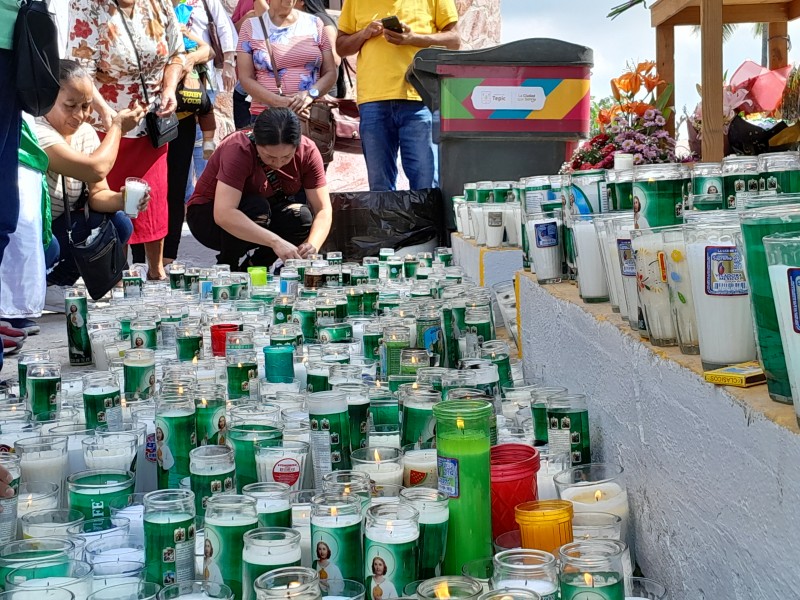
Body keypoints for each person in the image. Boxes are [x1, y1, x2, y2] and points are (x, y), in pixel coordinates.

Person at [66, 0, 185, 282]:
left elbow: (177, 55)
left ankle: (156, 270)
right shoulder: (88, 6)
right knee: (110, 199)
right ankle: (112, 273)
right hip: (108, 125)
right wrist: (107, 114)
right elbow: (81, 71)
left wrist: (170, 88)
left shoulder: (158, 4)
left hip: (153, 122)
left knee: (153, 198)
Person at [36, 60, 149, 312]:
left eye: (86, 106)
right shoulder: (37, 129)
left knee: (120, 222)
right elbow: (95, 168)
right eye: (70, 106)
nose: (80, 115)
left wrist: (123, 199)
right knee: (54, 244)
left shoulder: (85, 132)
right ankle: (40, 283)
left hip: (65, 225)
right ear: (47, 98)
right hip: (39, 233)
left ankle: (59, 283)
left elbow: (98, 194)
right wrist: (117, 127)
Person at [337, 0, 460, 191]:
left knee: (426, 183)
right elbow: (341, 47)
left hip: (420, 99)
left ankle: (427, 222)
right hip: (373, 101)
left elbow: (454, 41)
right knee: (380, 187)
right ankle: (386, 222)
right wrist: (364, 33)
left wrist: (413, 38)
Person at [186, 108, 332, 269]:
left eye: (286, 157)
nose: (278, 163)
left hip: (264, 215)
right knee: (256, 207)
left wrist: (312, 245)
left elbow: (323, 209)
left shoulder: (308, 150)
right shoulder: (238, 148)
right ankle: (228, 267)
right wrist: (275, 242)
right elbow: (223, 213)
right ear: (256, 142)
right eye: (269, 157)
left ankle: (256, 267)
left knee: (300, 216)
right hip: (209, 219)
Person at [237, 0, 337, 127]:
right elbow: (245, 77)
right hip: (267, 117)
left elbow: (330, 72)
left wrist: (310, 95)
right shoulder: (251, 27)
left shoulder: (315, 23)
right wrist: (278, 102)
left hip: (310, 115)